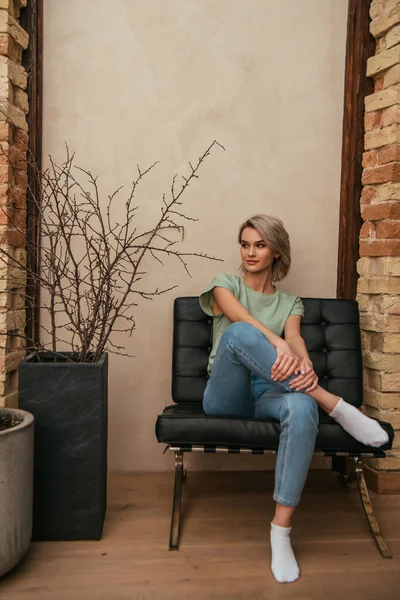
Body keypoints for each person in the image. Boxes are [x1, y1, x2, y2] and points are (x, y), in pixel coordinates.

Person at [199, 214, 389, 584]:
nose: (250, 252)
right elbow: (239, 320)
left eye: (260, 244)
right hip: (227, 394)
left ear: (276, 251)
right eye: (245, 244)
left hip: (271, 391)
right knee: (239, 334)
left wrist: (303, 362)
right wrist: (277, 342)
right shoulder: (225, 285)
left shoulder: (291, 303)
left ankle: (281, 530)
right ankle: (331, 403)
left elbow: (297, 339)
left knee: (301, 405)